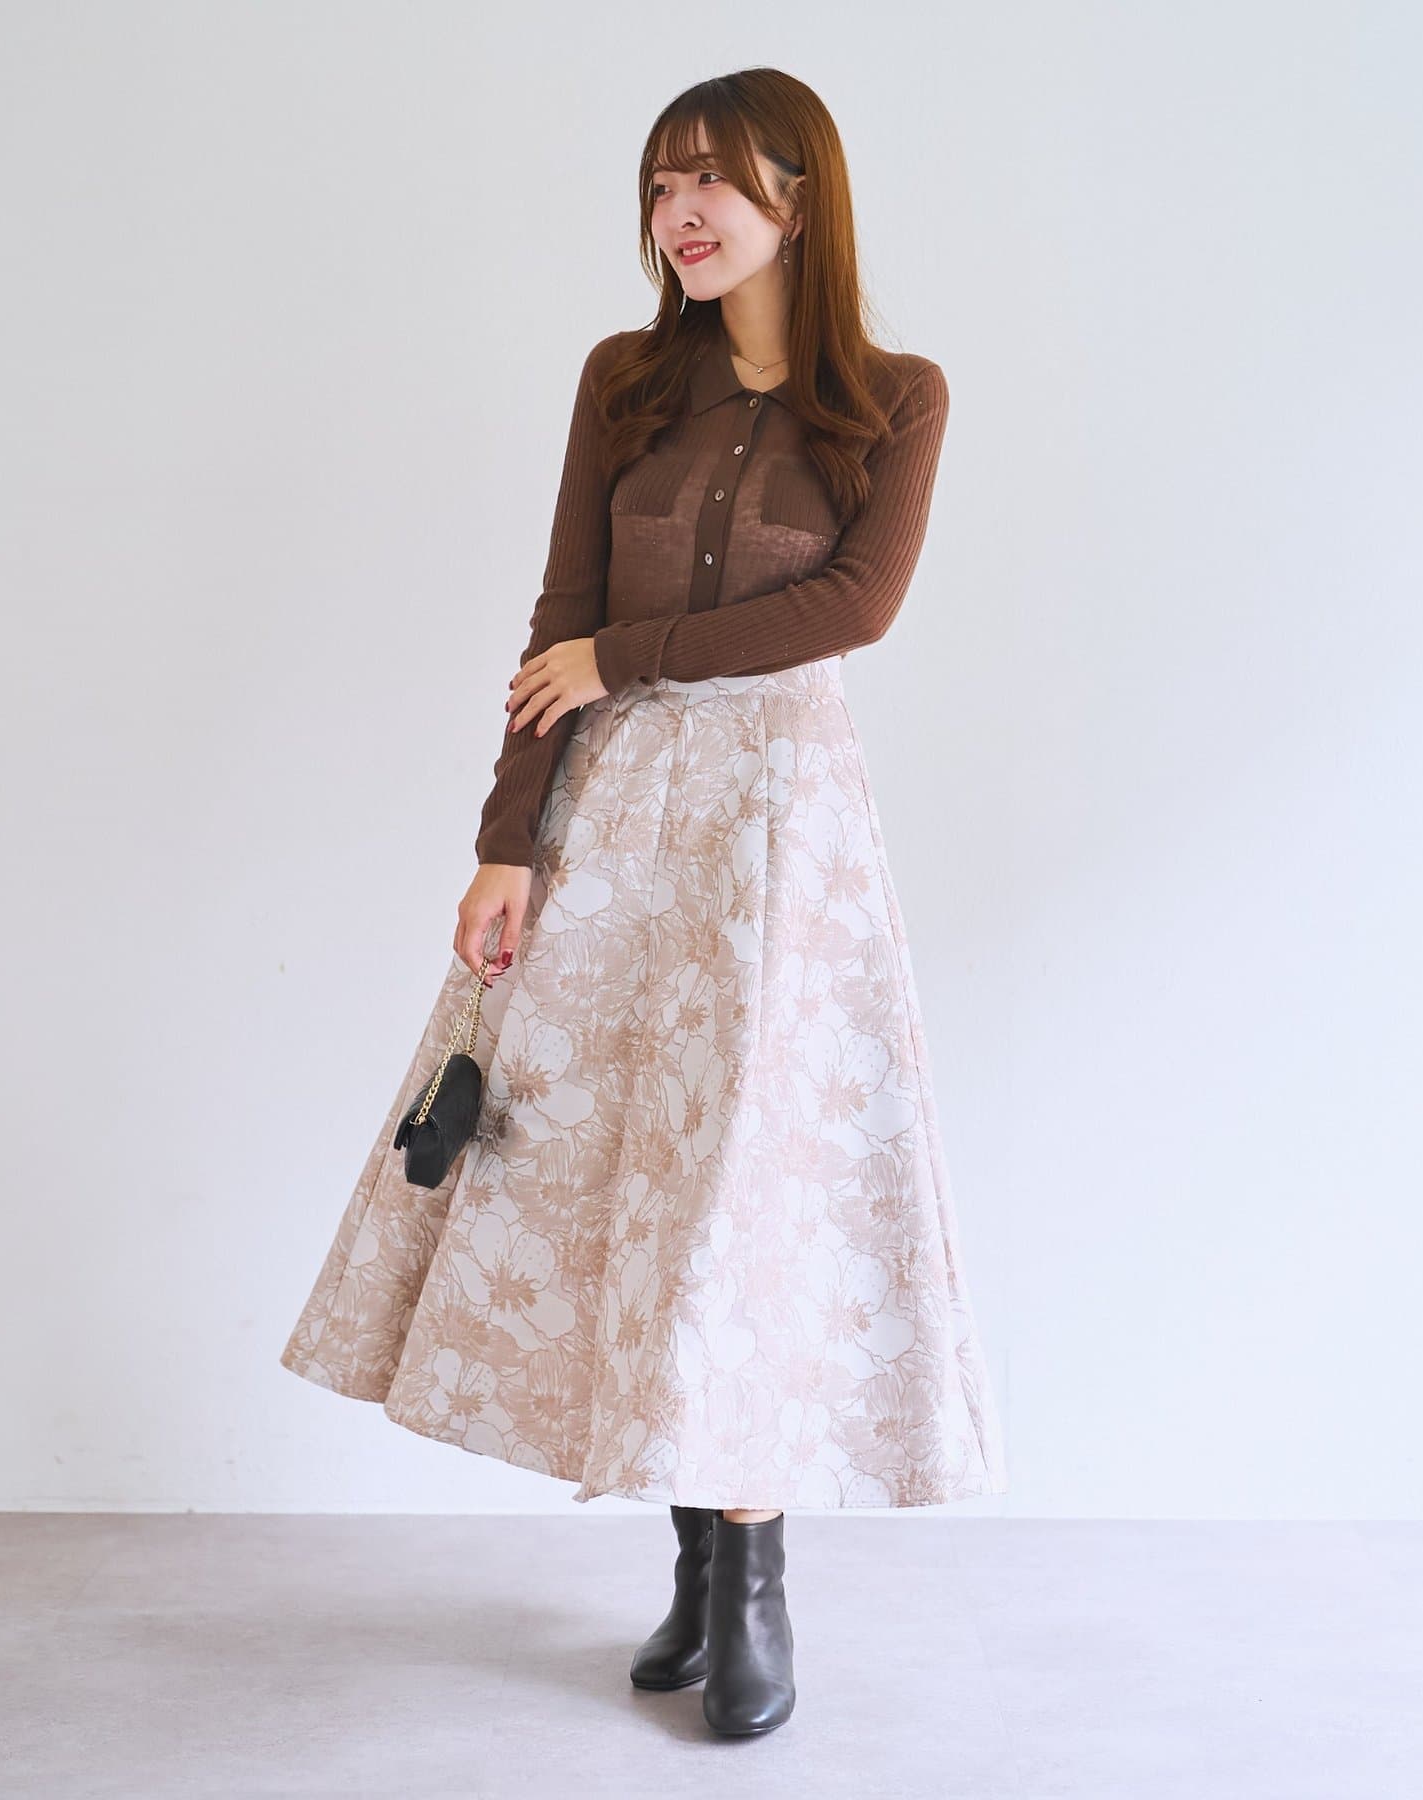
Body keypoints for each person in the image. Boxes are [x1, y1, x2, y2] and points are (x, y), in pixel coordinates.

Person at [281, 66, 1008, 1739]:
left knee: (744, 1197)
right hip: (612, 825)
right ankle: (691, 1566)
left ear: (799, 204)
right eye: (663, 183)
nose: (683, 212)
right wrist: (506, 840)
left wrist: (628, 656)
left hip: (777, 841)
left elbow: (855, 605)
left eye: (717, 182)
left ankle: (751, 1582)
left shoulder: (894, 397)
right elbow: (561, 614)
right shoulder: (624, 380)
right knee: (635, 1180)